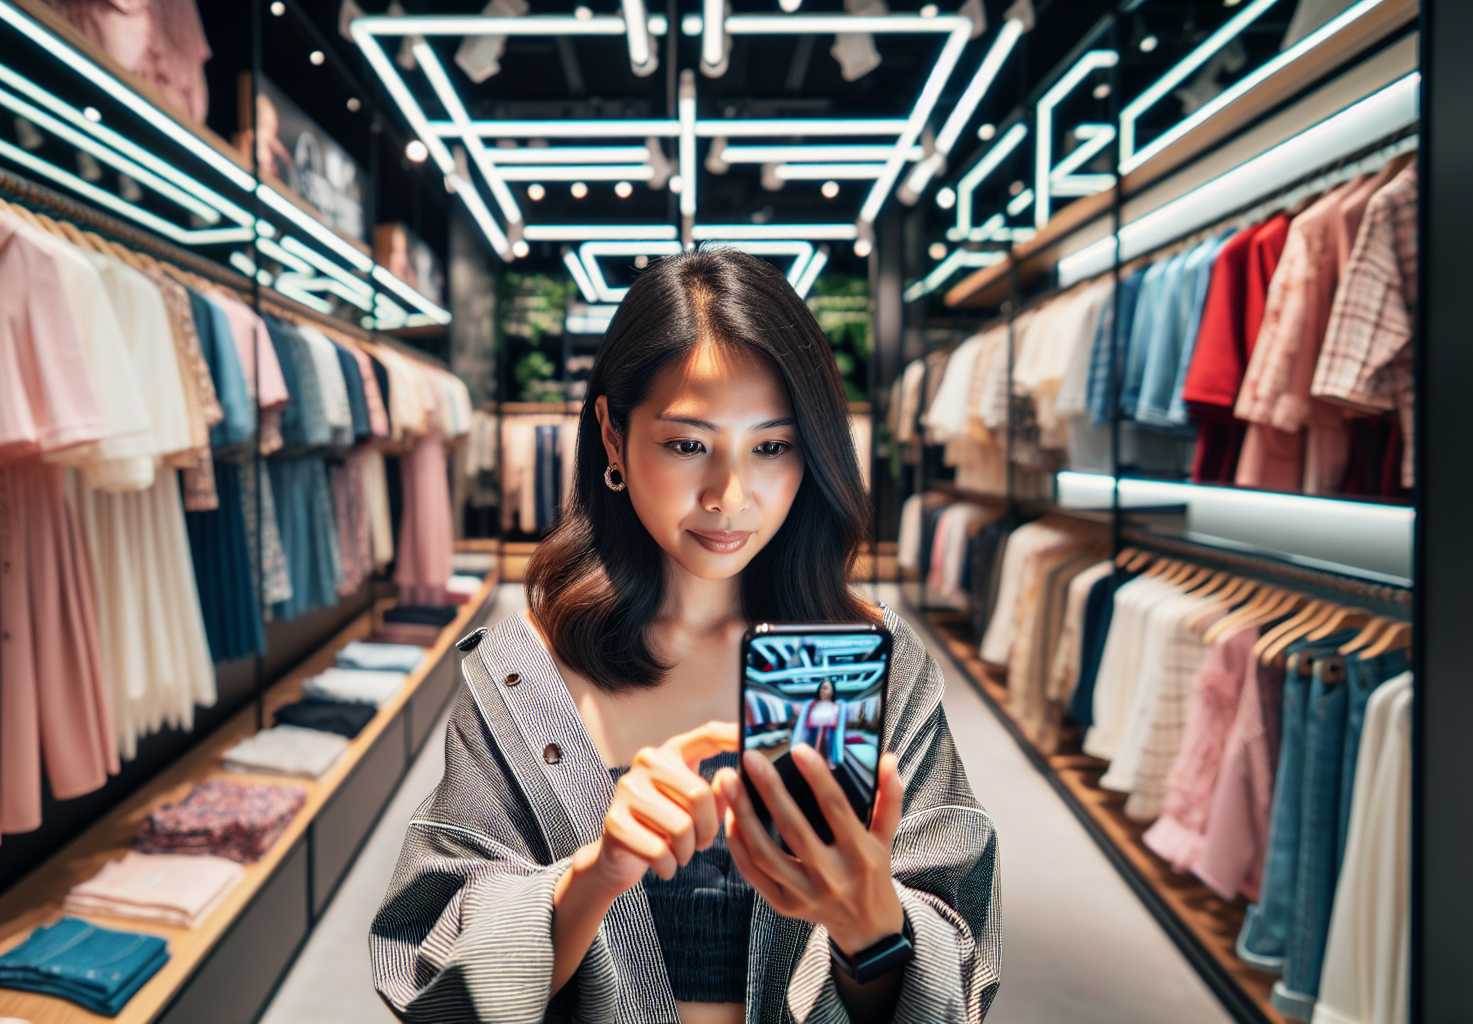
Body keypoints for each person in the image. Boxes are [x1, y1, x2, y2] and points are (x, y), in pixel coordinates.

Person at [368, 250, 1003, 1023]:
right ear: (611, 434)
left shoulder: (877, 663)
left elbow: (959, 963)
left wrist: (871, 928)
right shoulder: (522, 675)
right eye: (687, 443)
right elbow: (430, 970)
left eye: (771, 446)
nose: (729, 497)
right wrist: (594, 876)